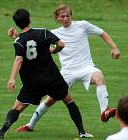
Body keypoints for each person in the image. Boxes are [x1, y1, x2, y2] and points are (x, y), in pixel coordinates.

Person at [8, 4, 120, 134]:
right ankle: (30, 125)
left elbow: (102, 33)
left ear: (71, 16)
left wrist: (114, 47)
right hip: (67, 72)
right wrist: (17, 36)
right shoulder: (54, 33)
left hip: (86, 67)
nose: (66, 18)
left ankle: (104, 111)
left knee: (99, 77)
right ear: (57, 18)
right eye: (62, 16)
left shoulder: (83, 25)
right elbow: (31, 43)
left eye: (68, 16)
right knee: (50, 100)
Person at [0, 8, 92, 139]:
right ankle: (81, 132)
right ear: (29, 19)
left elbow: (19, 58)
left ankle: (3, 129)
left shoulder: (18, 41)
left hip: (32, 82)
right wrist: (55, 50)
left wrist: (12, 78)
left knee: (17, 107)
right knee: (69, 101)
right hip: (52, 78)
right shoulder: (43, 32)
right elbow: (61, 44)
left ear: (17, 24)